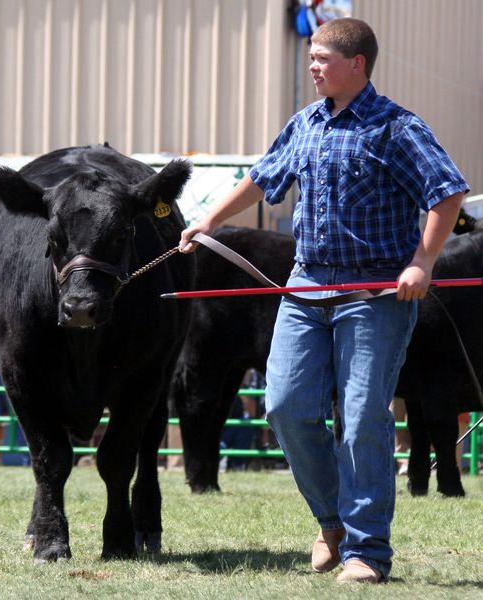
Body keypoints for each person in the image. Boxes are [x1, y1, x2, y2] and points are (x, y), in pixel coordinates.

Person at [179, 17, 468, 584]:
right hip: (307, 285)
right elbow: (263, 179)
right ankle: (333, 520)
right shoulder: (305, 123)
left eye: (321, 59)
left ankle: (368, 552)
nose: (312, 67)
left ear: (356, 64)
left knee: (362, 418)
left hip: (376, 292)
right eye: (311, 58)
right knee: (285, 405)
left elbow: (447, 191)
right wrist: (208, 219)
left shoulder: (397, 127)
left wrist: (423, 261)